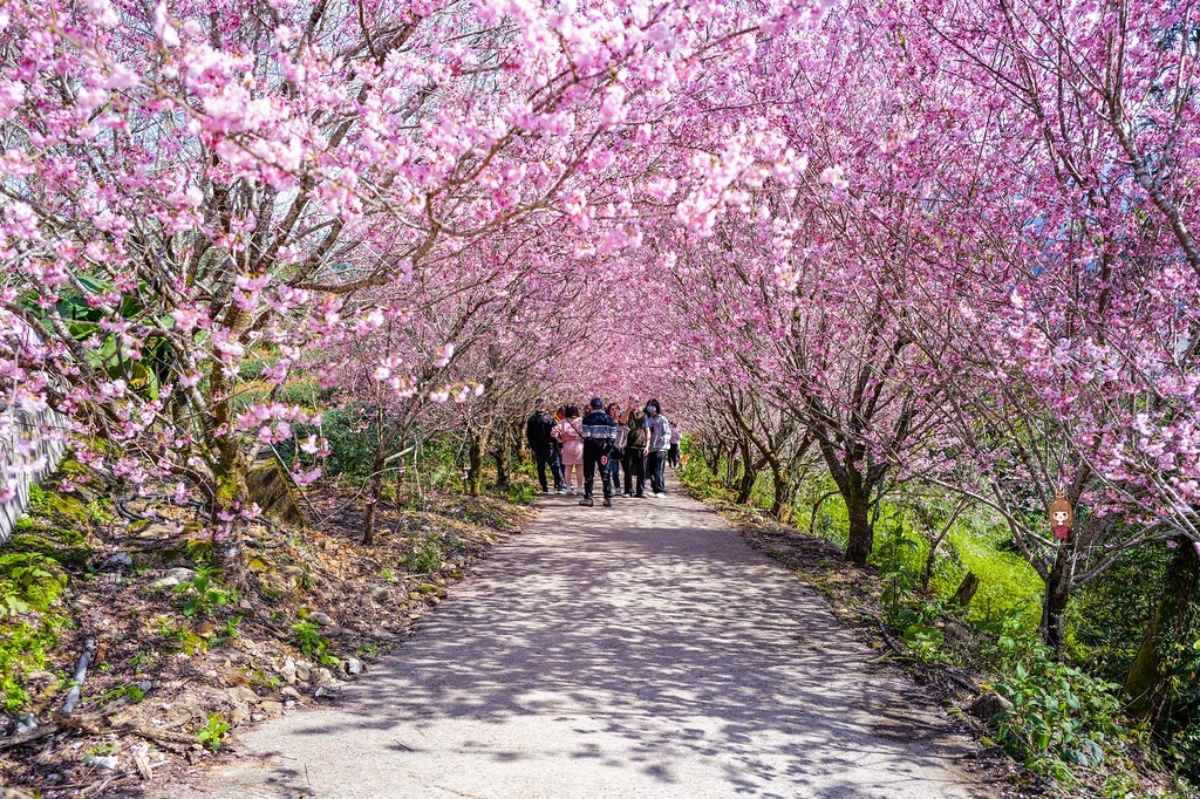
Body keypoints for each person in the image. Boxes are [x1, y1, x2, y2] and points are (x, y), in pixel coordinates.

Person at [579, 397, 618, 507]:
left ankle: (588, 498)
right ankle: (608, 497)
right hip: (605, 451)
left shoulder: (587, 419)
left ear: (591, 406)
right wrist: (605, 447)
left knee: (589, 473)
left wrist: (597, 444)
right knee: (605, 473)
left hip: (590, 450)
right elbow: (613, 436)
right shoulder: (609, 419)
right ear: (602, 406)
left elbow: (586, 436)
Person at [525, 400, 560, 493]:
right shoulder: (550, 419)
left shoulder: (532, 419)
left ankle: (544, 486)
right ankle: (559, 484)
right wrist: (557, 445)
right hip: (549, 446)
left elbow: (529, 434)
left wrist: (532, 446)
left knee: (541, 467)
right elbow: (555, 433)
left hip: (537, 447)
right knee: (554, 466)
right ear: (544, 407)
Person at [552, 405, 584, 494]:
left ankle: (568, 488)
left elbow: (553, 433)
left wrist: (561, 439)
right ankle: (580, 488)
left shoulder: (562, 422)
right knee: (579, 468)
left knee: (568, 468)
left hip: (567, 445)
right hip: (579, 445)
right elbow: (586, 433)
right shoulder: (581, 420)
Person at [644, 398, 671, 497]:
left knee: (659, 469)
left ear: (656, 407)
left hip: (661, 448)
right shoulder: (647, 419)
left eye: (652, 405)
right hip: (651, 448)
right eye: (649, 405)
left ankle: (661, 490)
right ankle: (654, 489)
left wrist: (663, 438)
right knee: (651, 470)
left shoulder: (662, 419)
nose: (650, 408)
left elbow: (667, 432)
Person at [622, 403, 648, 498]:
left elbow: (647, 430)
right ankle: (628, 491)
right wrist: (629, 409)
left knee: (642, 470)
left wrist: (647, 445)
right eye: (633, 401)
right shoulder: (625, 413)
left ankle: (640, 491)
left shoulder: (643, 415)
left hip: (641, 445)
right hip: (629, 445)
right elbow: (622, 421)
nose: (635, 404)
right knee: (628, 469)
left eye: (637, 402)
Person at [605, 402, 625, 488]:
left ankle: (617, 487)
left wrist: (623, 444)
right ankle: (608, 488)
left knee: (615, 470)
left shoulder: (622, 422)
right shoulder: (606, 422)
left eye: (616, 409)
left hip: (618, 449)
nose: (614, 411)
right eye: (612, 409)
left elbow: (627, 433)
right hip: (608, 448)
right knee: (608, 470)